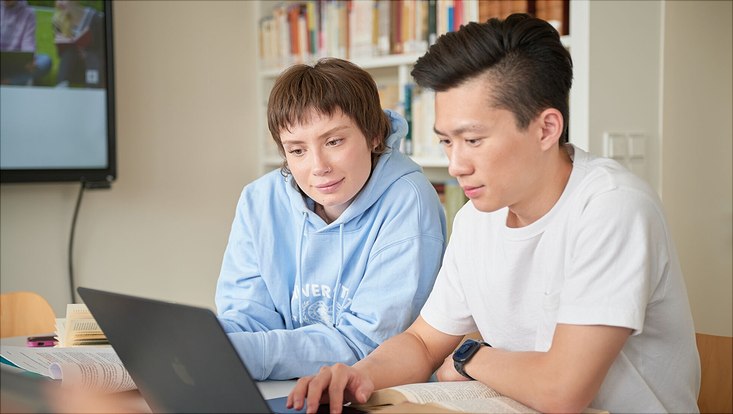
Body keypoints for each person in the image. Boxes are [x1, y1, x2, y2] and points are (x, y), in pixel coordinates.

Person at [288, 14, 700, 414]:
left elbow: (563, 390)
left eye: (472, 139)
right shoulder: (476, 218)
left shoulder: (612, 207)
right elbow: (424, 342)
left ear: (546, 128)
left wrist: (471, 356)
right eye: (447, 141)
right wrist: (357, 376)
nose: (456, 164)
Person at [215, 58, 447, 381]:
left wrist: (247, 353)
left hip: (377, 394)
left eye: (334, 142)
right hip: (280, 388)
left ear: (375, 134)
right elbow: (245, 321)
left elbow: (367, 344)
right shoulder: (259, 201)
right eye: (297, 151)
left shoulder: (409, 200)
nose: (318, 166)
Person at [52, 0, 104, 87]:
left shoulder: (94, 17)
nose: (59, 3)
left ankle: (92, 87)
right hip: (73, 69)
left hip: (93, 66)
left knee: (91, 55)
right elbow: (61, 54)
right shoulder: (58, 20)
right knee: (69, 51)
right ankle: (61, 85)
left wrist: (85, 52)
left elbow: (102, 48)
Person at [0, 0, 51, 85]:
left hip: (17, 64)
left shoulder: (28, 13)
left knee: (45, 60)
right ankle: (19, 80)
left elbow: (28, 42)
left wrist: (31, 59)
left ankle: (7, 82)